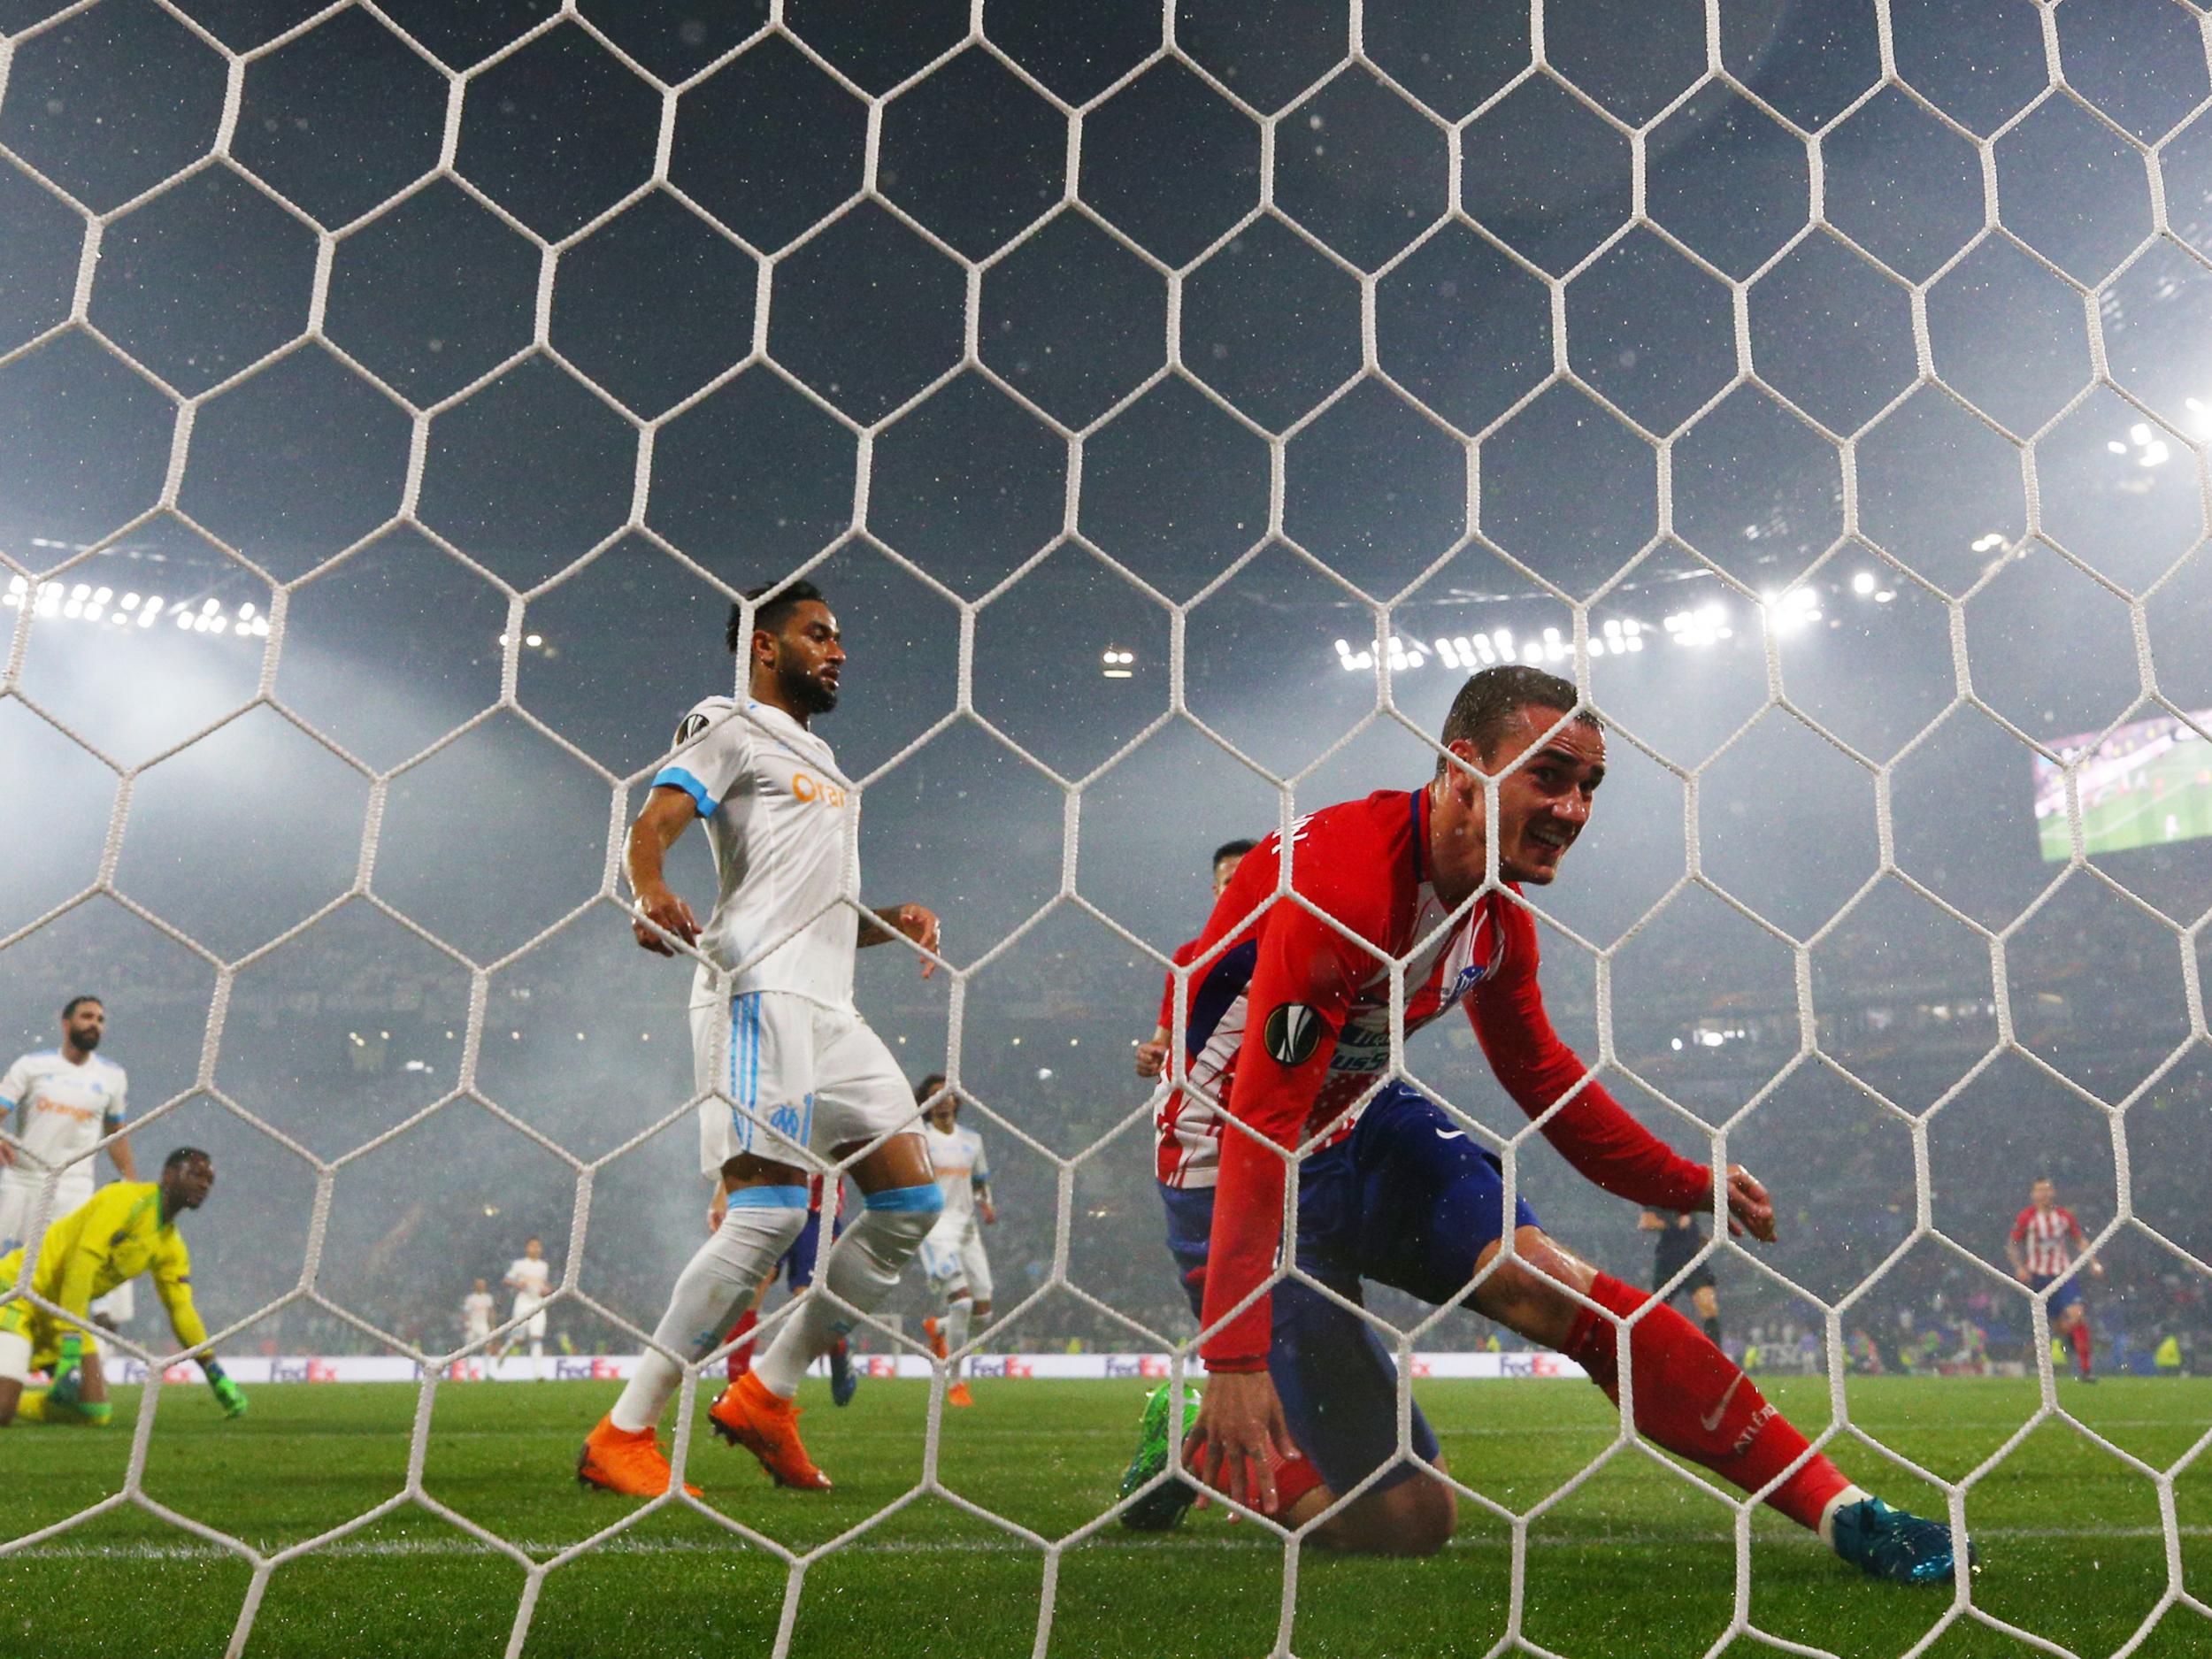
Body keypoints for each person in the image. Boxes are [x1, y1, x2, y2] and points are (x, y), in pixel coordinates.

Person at [1173, 665, 1969, 1584]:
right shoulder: (1344, 886)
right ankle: (1190, 1444)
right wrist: (1232, 1356)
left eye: (1589, 786)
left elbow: (1542, 1077)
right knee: (1407, 1524)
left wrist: (1687, 1183)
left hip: (1357, 1121)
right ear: (1463, 768)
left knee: (1557, 1289)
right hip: (1226, 1161)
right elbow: (1259, 1125)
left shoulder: (1494, 918)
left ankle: (1845, 1513)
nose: (1574, 808)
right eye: (1550, 777)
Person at [578, 580, 942, 1497]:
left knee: (910, 1208)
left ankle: (765, 1397)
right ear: (765, 647)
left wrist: (888, 918)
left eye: (840, 634)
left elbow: (821, 905)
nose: (839, 650)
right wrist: (648, 890)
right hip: (758, 992)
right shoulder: (725, 720)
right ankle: (623, 1432)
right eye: (819, 633)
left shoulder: (824, 760)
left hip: (833, 1007)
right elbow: (655, 821)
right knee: (772, 1216)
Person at [0, 1147, 245, 1425]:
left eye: (209, 1179)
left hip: (58, 1312)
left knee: (93, 1412)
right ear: (168, 1175)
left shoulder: (170, 1246)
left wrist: (214, 1372)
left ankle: (19, 1398)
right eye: (196, 1174)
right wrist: (71, 1342)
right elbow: (80, 1265)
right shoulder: (124, 1199)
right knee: (1, 1411)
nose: (204, 1184)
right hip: (17, 1292)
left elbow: (181, 1310)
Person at [0, 996, 133, 1256]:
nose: (94, 1024)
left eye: (100, 1019)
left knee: (52, 1274)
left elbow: (116, 1134)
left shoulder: (112, 1076)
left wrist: (134, 1184)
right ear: (65, 1023)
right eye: (86, 1017)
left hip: (73, 1190)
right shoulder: (32, 1066)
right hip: (23, 1183)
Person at [720, 1172, 859, 1409]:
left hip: (817, 1214)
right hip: (771, 1206)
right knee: (751, 1285)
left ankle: (838, 1346)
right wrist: (721, 1195)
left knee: (809, 1298)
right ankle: (737, 1387)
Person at [914, 1075, 996, 1408]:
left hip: (967, 1229)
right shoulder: (921, 1139)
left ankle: (940, 1328)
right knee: (961, 1302)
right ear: (928, 1102)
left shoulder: (972, 1141)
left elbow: (979, 1181)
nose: (945, 1100)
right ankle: (955, 1381)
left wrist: (986, 1202)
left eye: (948, 1094)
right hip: (936, 1229)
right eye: (936, 1095)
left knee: (983, 1312)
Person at [2007, 1178, 2102, 1382]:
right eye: (2040, 1190)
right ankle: (2070, 1339)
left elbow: (2079, 1240)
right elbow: (2013, 1245)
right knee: (2059, 1326)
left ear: (2053, 1193)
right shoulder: (2026, 1218)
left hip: (2063, 1275)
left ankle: (2086, 1370)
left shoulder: (2064, 1217)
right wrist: (2019, 1268)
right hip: (2039, 1278)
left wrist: (2093, 1262)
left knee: (2077, 1315)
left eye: (2047, 1189)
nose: (2044, 1194)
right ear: (2033, 1195)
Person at [1640, 1207, 1724, 1344]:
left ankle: (1715, 1354)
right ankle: (1653, 1347)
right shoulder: (1658, 1198)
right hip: (1668, 1262)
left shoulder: (1688, 1196)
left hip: (1692, 1259)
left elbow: (1691, 1223)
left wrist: (1698, 1237)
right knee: (1657, 1311)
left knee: (1709, 1306)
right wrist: (1673, 1224)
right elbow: (1645, 1223)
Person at [503, 1237, 552, 1379]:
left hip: (538, 1303)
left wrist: (546, 1290)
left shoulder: (544, 1266)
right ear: (527, 1248)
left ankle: (538, 1374)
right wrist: (518, 1284)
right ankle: (505, 1350)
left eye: (538, 1246)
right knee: (519, 1338)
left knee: (536, 1337)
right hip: (523, 1302)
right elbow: (507, 1279)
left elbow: (544, 1285)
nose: (536, 1249)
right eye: (533, 1246)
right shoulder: (519, 1264)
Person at [463, 1277, 495, 1372]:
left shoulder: (488, 1298)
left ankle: (487, 1372)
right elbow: (466, 1313)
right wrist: (467, 1324)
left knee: (487, 1347)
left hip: (483, 1325)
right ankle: (468, 1373)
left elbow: (490, 1312)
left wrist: (492, 1325)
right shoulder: (470, 1298)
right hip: (472, 1325)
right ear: (475, 1286)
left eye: (483, 1284)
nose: (481, 1286)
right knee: (468, 1349)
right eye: (479, 1284)